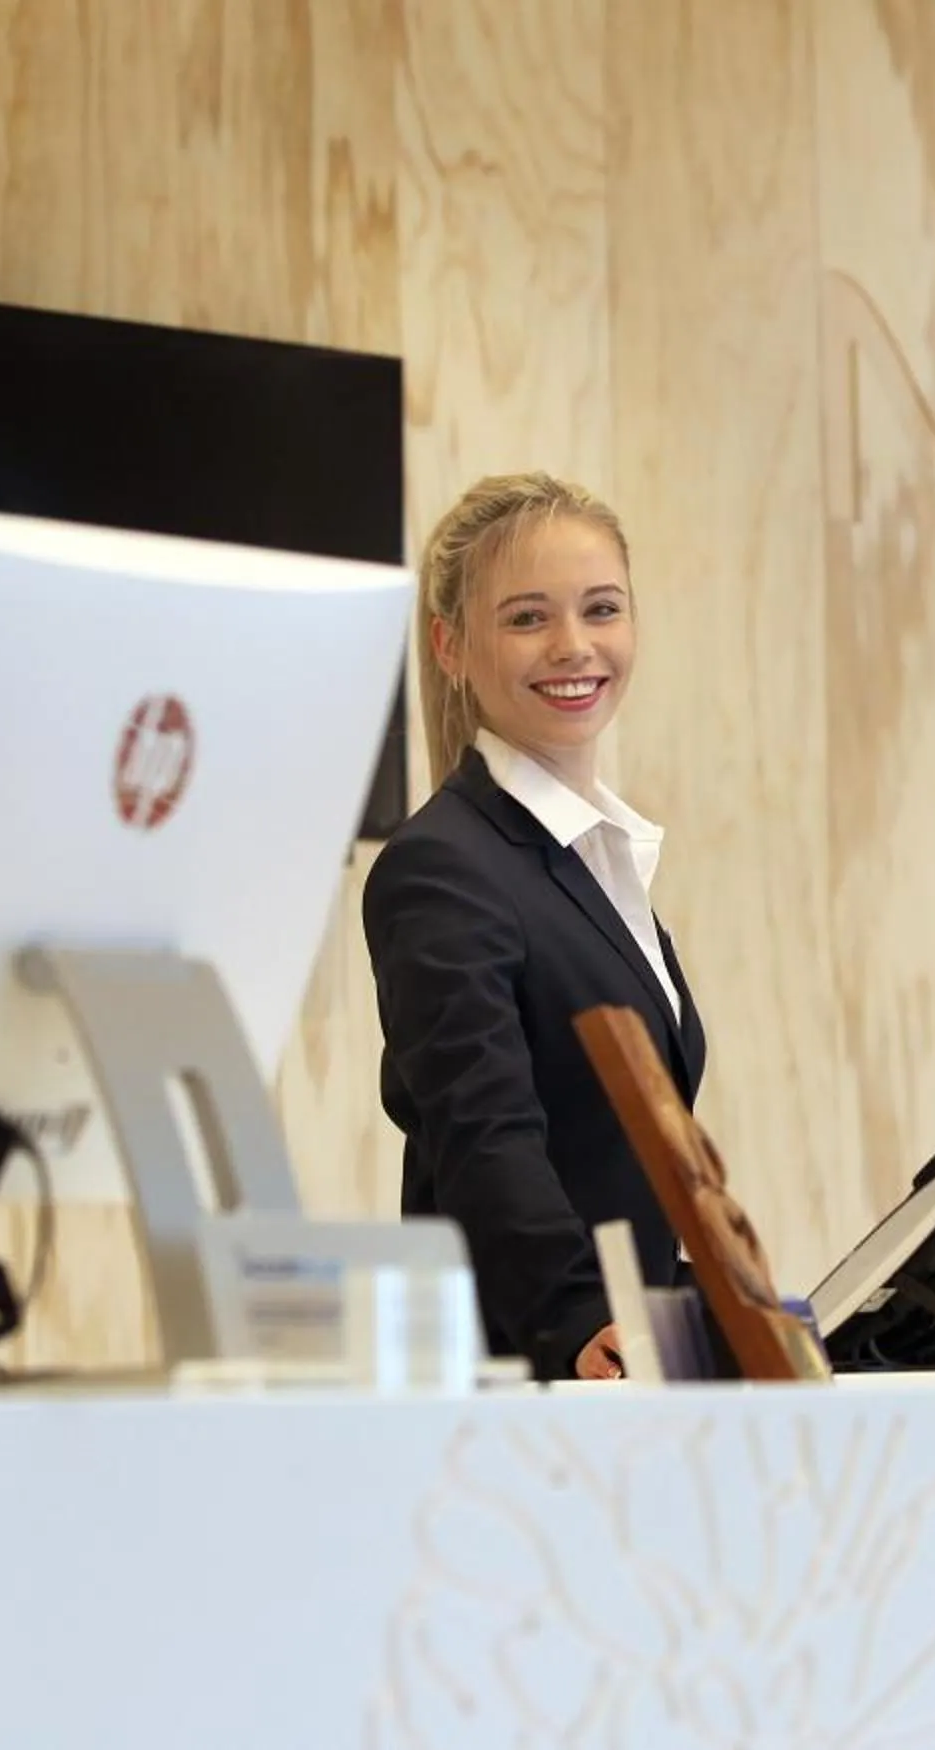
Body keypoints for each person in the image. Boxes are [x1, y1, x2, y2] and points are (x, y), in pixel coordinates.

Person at [363, 471, 708, 1383]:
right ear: (450, 645)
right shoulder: (442, 868)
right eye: (526, 618)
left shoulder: (600, 859)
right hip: (530, 1376)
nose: (574, 646)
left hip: (623, 1367)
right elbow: (484, 1132)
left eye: (602, 609)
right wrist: (577, 1313)